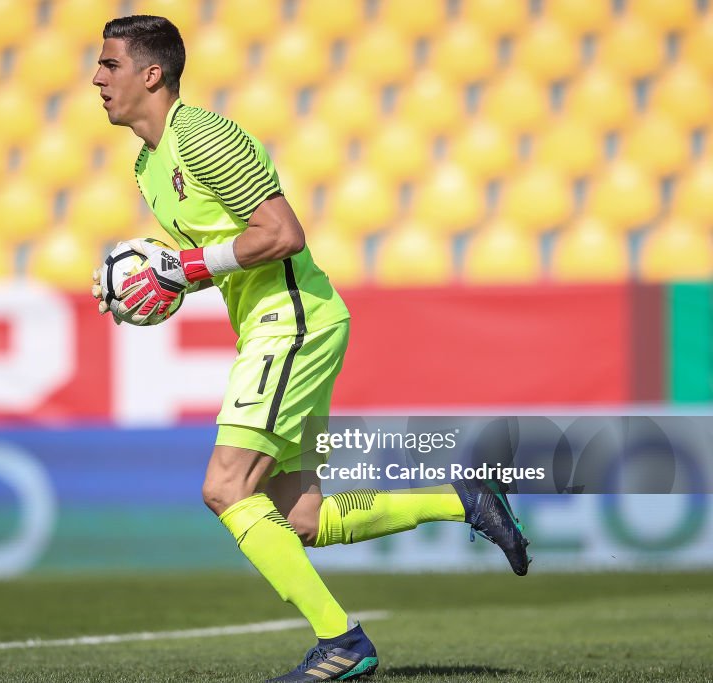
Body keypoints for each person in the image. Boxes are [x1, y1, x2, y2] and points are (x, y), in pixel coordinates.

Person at [89, 15, 530, 682]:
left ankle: (341, 640)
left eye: (110, 64)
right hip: (276, 323)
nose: (97, 78)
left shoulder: (202, 136)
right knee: (303, 518)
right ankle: (463, 498)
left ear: (152, 74)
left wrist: (183, 269)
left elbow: (283, 233)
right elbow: (220, 256)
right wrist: (153, 287)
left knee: (225, 486)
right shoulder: (149, 166)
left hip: (293, 320)